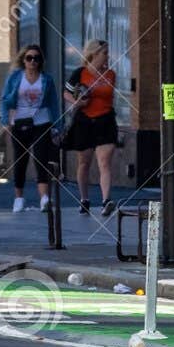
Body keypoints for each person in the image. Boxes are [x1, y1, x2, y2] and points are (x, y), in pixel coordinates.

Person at [0, 43, 61, 213]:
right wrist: (5, 122)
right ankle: (18, 199)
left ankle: (45, 199)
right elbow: (5, 100)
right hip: (20, 122)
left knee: (41, 159)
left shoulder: (46, 79)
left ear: (40, 61)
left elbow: (54, 104)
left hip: (41, 123)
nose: (33, 61)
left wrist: (57, 126)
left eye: (36, 58)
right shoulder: (15, 77)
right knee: (20, 161)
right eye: (29, 58)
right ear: (24, 60)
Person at [67, 38, 119, 216]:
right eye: (104, 53)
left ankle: (106, 200)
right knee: (84, 162)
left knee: (104, 162)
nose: (107, 56)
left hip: (105, 120)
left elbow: (109, 96)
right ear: (94, 54)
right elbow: (66, 92)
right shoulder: (80, 73)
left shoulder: (111, 74)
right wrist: (77, 102)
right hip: (85, 121)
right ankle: (84, 199)